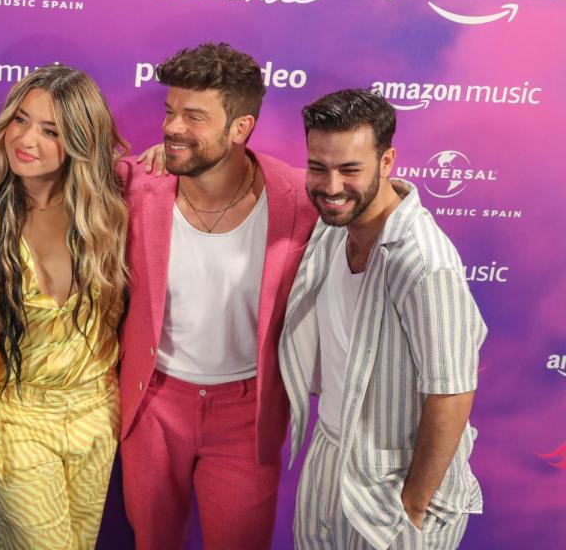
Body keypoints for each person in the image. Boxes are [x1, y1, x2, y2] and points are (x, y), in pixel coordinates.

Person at [117, 43, 318, 550]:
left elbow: (374, 210)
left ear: (240, 128)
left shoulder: (298, 199)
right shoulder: (137, 186)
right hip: (153, 402)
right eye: (170, 111)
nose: (172, 127)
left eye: (194, 116)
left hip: (247, 415)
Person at [280, 89, 484, 549]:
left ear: (387, 161)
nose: (331, 186)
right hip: (329, 454)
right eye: (318, 166)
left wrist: (414, 502)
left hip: (397, 485)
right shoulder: (333, 227)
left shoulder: (423, 262)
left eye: (350, 169)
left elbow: (452, 391)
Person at [0, 64, 129, 550]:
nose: (25, 139)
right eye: (20, 120)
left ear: (78, 140)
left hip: (96, 410)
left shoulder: (110, 206)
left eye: (50, 130)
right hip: (14, 413)